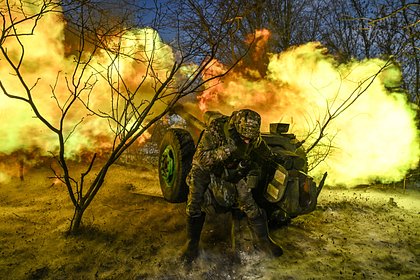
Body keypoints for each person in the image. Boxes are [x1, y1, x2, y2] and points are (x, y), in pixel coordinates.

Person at [181, 109, 283, 263]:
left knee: (248, 201)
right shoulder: (215, 131)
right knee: (195, 198)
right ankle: (191, 243)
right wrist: (228, 149)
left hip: (233, 170)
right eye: (244, 138)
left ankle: (264, 241)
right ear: (236, 129)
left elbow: (263, 150)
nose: (247, 142)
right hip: (209, 169)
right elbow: (200, 159)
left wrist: (275, 159)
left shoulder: (251, 135)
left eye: (251, 138)